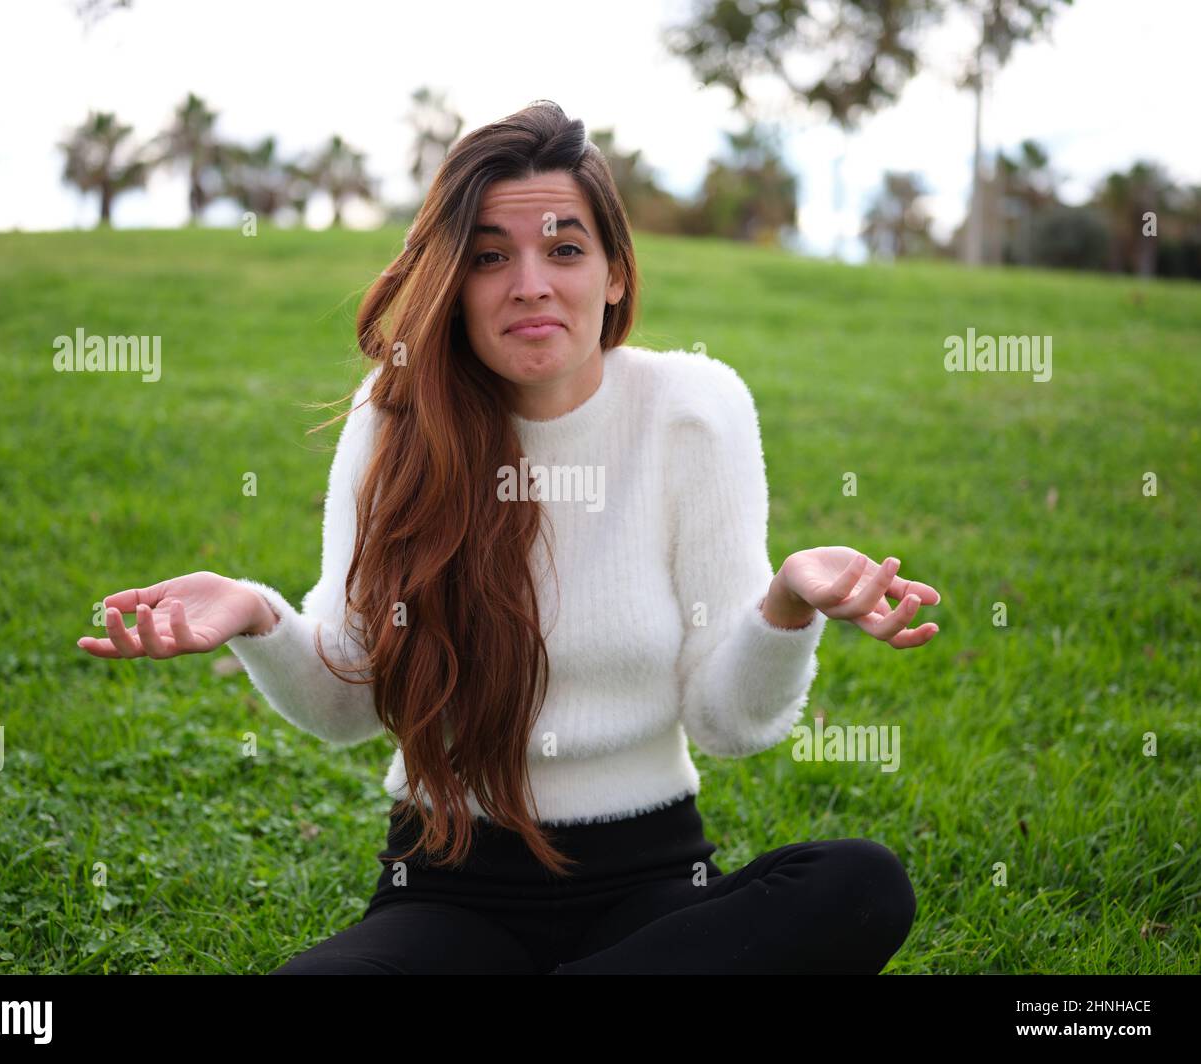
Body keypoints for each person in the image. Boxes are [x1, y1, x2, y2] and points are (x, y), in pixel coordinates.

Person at [77, 100, 940, 974]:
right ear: (453, 280)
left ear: (613, 274)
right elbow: (347, 702)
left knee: (861, 882)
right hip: (448, 887)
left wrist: (785, 603)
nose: (529, 282)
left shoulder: (694, 410)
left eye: (564, 249)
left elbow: (730, 723)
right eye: (491, 256)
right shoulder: (396, 420)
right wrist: (256, 616)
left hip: (649, 886)